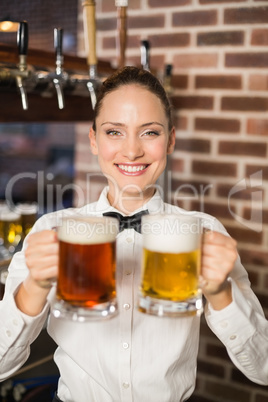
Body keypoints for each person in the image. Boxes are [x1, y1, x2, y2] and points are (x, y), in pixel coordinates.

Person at [0, 66, 268, 402]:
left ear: (170, 140)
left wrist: (222, 293)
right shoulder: (53, 231)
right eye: (114, 132)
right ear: (94, 141)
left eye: (149, 133)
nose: (131, 151)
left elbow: (264, 369)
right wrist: (33, 289)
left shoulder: (204, 232)